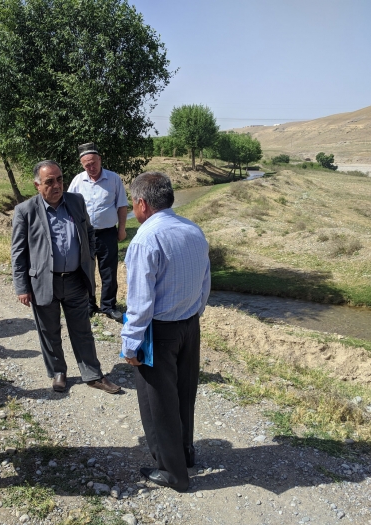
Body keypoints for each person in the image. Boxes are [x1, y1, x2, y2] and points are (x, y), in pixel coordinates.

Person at [121, 172, 211, 492]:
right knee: (185, 394)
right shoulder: (193, 230)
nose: (133, 209)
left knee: (158, 402)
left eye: (133, 204)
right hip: (189, 324)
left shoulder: (145, 240)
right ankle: (185, 454)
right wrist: (194, 314)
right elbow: (205, 282)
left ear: (142, 204)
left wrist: (130, 343)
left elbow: (140, 302)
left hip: (158, 331)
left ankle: (173, 472)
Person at [11, 160, 121, 394]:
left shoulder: (76, 201)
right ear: (37, 185)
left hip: (76, 279)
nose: (57, 185)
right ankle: (58, 372)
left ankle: (93, 374)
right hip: (44, 281)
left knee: (83, 331)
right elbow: (18, 252)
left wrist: (89, 257)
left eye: (60, 179)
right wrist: (22, 287)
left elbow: (89, 232)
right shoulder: (25, 211)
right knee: (49, 331)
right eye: (49, 181)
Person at [68, 143, 128, 321]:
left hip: (108, 233)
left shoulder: (113, 179)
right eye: (87, 165)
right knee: (86, 270)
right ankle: (89, 304)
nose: (91, 167)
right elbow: (68, 206)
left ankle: (108, 306)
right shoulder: (78, 181)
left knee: (109, 271)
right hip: (84, 234)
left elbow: (122, 205)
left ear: (100, 159)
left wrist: (122, 229)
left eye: (93, 163)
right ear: (82, 165)